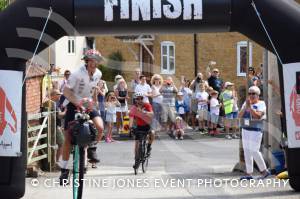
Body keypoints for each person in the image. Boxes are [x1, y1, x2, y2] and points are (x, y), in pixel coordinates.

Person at [59, 49, 104, 184]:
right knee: (67, 138)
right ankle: (64, 170)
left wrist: (92, 103)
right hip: (73, 103)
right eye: (91, 60)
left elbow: (92, 90)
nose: (93, 63)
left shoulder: (98, 74)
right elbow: (66, 91)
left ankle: (92, 149)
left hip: (87, 103)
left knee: (100, 127)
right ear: (86, 61)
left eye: (96, 61)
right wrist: (78, 103)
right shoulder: (77, 74)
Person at [238, 86, 271, 180]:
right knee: (247, 151)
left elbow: (258, 116)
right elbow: (239, 116)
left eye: (253, 93)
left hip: (256, 130)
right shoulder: (246, 103)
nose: (251, 95)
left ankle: (264, 171)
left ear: (258, 95)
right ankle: (249, 173)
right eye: (250, 93)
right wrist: (245, 108)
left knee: (254, 150)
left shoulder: (261, 104)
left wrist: (250, 108)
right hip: (245, 129)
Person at [129, 92, 154, 169]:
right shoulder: (133, 108)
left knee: (152, 133)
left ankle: (149, 147)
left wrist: (144, 112)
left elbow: (152, 114)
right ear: (135, 100)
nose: (139, 100)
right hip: (139, 126)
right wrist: (130, 128)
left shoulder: (147, 105)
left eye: (141, 98)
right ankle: (136, 160)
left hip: (147, 124)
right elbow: (131, 118)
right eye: (138, 99)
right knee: (137, 143)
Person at [42, 89, 65, 163]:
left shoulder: (53, 103)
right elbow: (59, 115)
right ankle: (57, 162)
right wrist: (66, 112)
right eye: (58, 94)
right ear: (53, 95)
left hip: (55, 126)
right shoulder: (51, 103)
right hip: (54, 127)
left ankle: (56, 161)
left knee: (56, 144)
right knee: (62, 143)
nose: (60, 96)